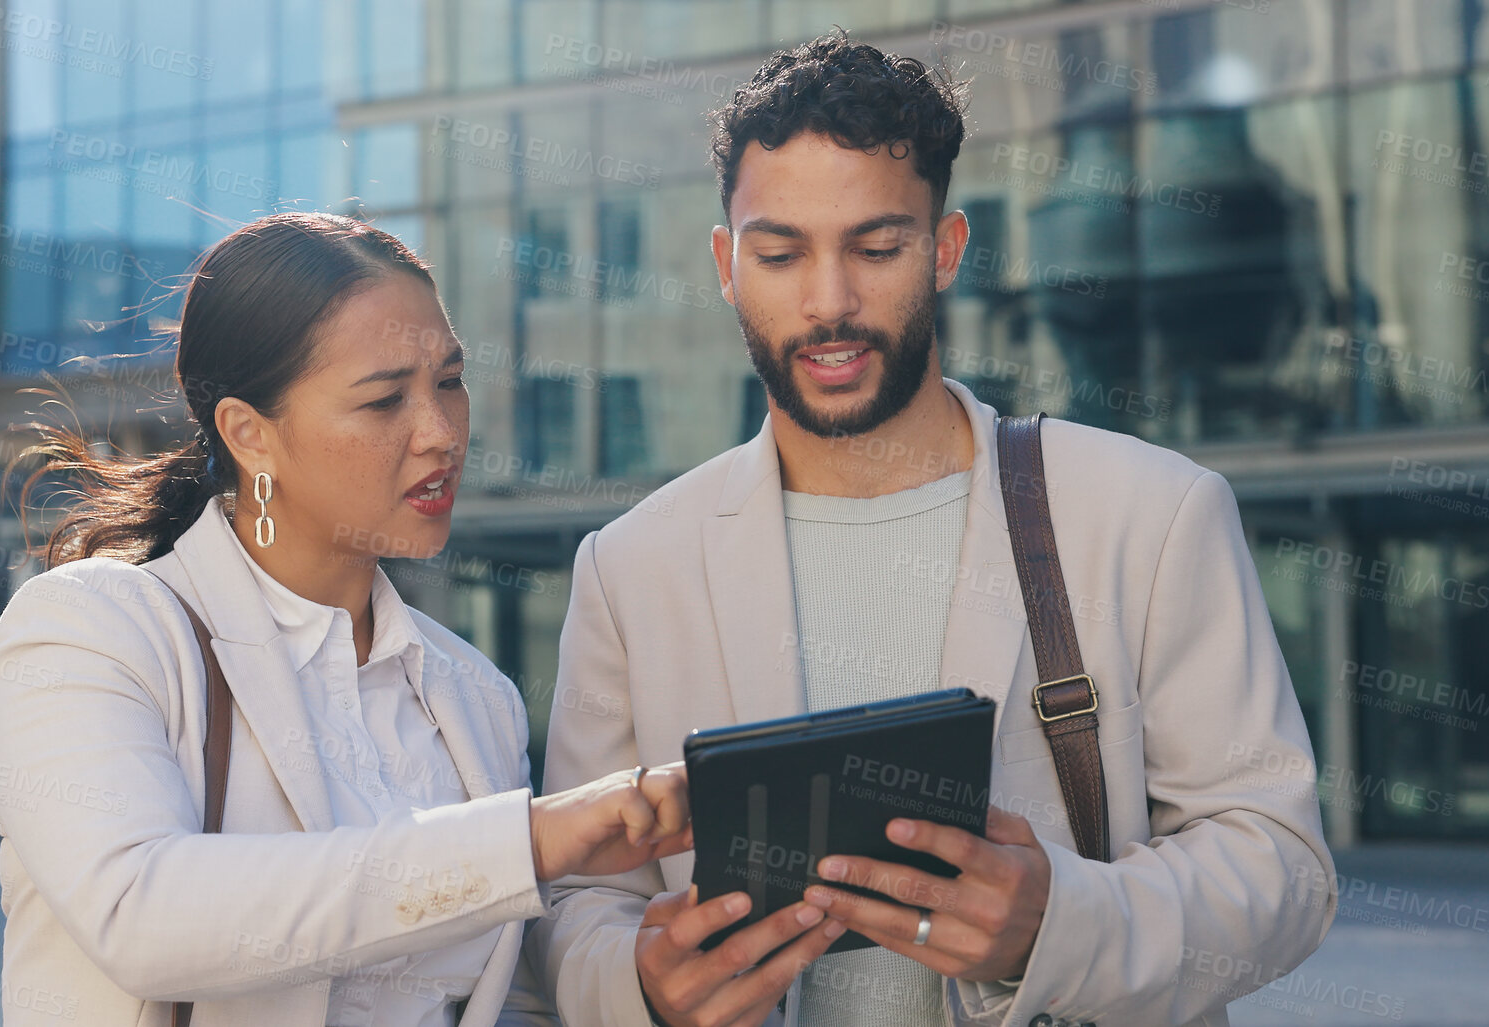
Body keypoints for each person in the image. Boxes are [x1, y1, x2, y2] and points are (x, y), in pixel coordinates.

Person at [526, 32, 1336, 1027]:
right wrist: (638, 984)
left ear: (946, 249)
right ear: (727, 265)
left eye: (877, 248)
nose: (830, 303)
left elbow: (1283, 864)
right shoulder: (631, 567)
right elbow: (579, 898)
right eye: (781, 254)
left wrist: (1059, 924)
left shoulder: (1149, 512)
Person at [0, 211, 690, 1026]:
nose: (440, 433)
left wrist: (649, 980)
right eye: (385, 399)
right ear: (250, 434)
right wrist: (525, 842)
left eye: (449, 382)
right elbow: (140, 914)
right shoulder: (93, 630)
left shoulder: (472, 693)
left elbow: (499, 997)